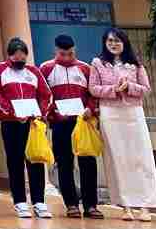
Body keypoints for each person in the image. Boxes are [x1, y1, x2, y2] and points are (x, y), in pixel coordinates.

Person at [90, 28, 156, 222]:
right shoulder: (97, 63)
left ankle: (145, 206)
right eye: (110, 40)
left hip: (133, 113)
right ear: (105, 43)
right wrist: (113, 89)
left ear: (124, 43)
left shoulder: (135, 65)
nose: (113, 44)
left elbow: (146, 89)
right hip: (110, 114)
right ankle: (125, 206)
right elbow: (93, 88)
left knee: (141, 157)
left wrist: (129, 87)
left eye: (117, 41)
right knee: (117, 158)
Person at [0, 37, 54, 219]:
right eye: (16, 59)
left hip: (32, 124)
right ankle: (20, 202)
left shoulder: (33, 71)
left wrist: (39, 113)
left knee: (36, 160)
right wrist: (11, 112)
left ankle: (39, 202)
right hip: (11, 123)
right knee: (15, 162)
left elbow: (46, 95)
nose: (20, 62)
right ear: (9, 56)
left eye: (23, 58)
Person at [40, 34, 103, 219]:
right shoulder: (46, 68)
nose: (67, 58)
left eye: (70, 53)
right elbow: (43, 95)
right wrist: (53, 113)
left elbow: (93, 94)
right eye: (62, 54)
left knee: (88, 162)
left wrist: (90, 109)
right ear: (55, 51)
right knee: (64, 163)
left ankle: (91, 205)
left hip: (83, 123)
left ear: (74, 50)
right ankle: (71, 204)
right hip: (60, 123)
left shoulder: (85, 68)